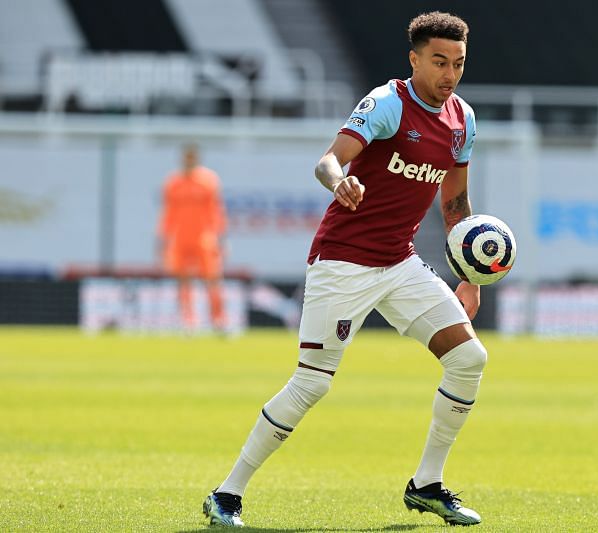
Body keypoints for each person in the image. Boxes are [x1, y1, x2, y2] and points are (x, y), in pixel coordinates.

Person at [203, 12, 484, 527]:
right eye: (440, 62)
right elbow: (328, 161)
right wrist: (339, 183)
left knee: (469, 358)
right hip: (343, 260)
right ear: (414, 58)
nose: (450, 74)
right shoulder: (386, 103)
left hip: (399, 262)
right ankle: (226, 493)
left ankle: (426, 484)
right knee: (312, 383)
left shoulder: (462, 118)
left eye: (459, 64)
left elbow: (456, 205)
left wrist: (470, 273)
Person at [158, 144, 227, 333]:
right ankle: (189, 320)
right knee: (183, 280)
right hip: (181, 238)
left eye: (191, 157)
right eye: (186, 157)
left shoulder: (208, 181)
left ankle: (218, 320)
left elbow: (216, 212)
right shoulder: (173, 183)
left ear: (196, 158)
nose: (188, 160)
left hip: (204, 238)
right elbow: (168, 213)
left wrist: (221, 238)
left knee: (212, 279)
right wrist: (163, 239)